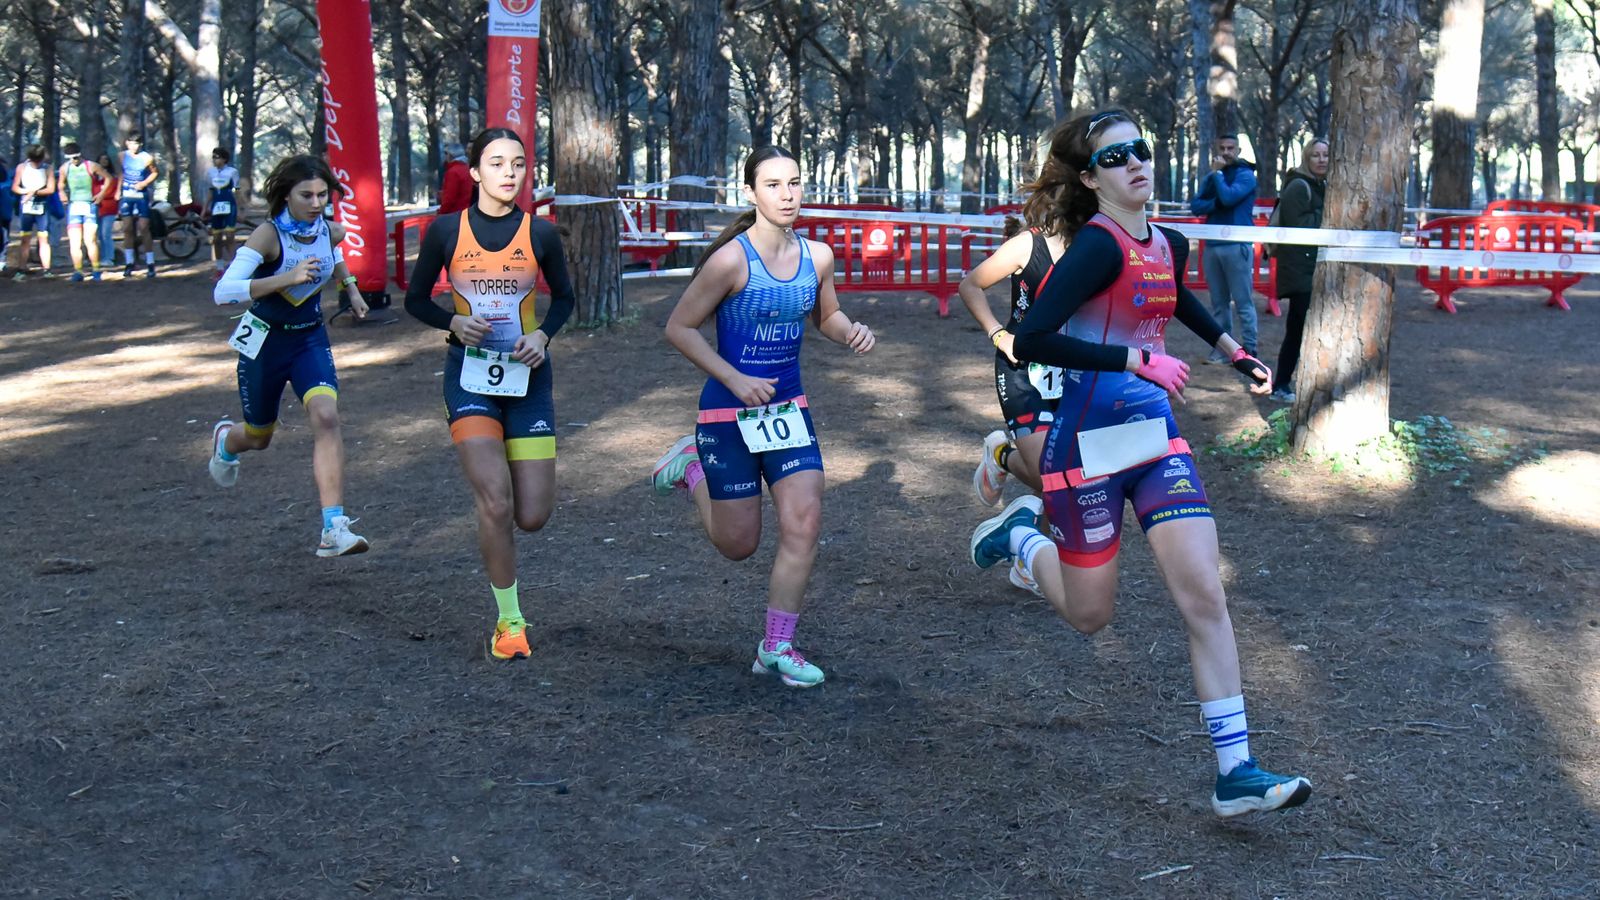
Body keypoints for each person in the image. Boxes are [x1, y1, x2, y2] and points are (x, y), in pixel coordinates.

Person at [972, 108, 1311, 817]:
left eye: (1142, 150)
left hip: (1156, 442)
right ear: (1091, 179)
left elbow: (1174, 297)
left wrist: (1231, 350)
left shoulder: (1169, 239)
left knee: (1205, 597)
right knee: (1090, 616)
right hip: (1085, 448)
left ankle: (1236, 771)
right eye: (1116, 156)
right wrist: (1136, 358)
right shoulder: (1093, 248)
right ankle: (1021, 538)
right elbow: (1032, 336)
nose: (1136, 163)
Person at [651, 146, 875, 688]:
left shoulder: (817, 256)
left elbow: (827, 314)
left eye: (795, 182)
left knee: (805, 520)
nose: (788, 194)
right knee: (738, 545)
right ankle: (691, 466)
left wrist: (849, 331)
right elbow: (678, 328)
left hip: (788, 411)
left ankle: (776, 646)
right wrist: (734, 378)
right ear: (750, 193)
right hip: (727, 413)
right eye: (773, 185)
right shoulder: (731, 261)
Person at [403, 128, 574, 661]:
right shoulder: (446, 231)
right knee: (495, 503)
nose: (509, 173)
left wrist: (543, 335)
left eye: (519, 164)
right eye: (497, 163)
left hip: (528, 380)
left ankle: (510, 602)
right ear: (474, 172)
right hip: (470, 376)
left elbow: (566, 299)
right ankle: (510, 622)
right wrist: (454, 324)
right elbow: (413, 300)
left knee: (533, 515)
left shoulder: (540, 233)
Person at [208, 154, 371, 558]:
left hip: (309, 340)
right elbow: (224, 291)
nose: (316, 203)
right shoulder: (266, 236)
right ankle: (227, 441)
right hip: (264, 342)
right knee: (259, 437)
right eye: (307, 195)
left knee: (327, 416)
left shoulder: (329, 230)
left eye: (322, 194)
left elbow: (332, 257)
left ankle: (334, 527)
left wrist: (350, 288)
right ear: (285, 195)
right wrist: (286, 278)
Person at [1188, 133, 1259, 362]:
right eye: (1223, 148)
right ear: (1216, 150)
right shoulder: (1212, 178)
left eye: (1231, 148)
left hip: (1237, 245)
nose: (1227, 152)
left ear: (1238, 151)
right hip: (1213, 245)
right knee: (1218, 303)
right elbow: (1196, 206)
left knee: (1243, 301)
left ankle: (1250, 348)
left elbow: (1229, 198)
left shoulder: (1246, 176)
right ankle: (1223, 349)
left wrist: (1217, 177)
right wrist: (1214, 202)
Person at [1268, 138, 1329, 404]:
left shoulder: (1321, 185)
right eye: (1315, 155)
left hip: (1314, 267)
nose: (1321, 160)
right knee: (1296, 330)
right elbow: (1297, 227)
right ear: (1307, 158)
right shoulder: (1298, 186)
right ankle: (1281, 384)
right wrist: (1328, 213)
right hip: (1300, 270)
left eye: (1326, 155)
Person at [57, 142, 111, 281]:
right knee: (75, 241)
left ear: (80, 155)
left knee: (90, 240)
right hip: (74, 206)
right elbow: (61, 184)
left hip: (89, 206)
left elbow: (109, 178)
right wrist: (62, 193)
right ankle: (78, 271)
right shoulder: (65, 168)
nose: (73, 161)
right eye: (70, 158)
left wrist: (101, 195)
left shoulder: (91, 165)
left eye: (75, 158)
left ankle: (96, 269)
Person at [10, 144, 57, 280]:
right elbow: (15, 187)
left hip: (42, 207)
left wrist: (35, 192)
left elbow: (51, 189)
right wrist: (26, 192)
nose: (36, 163)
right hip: (26, 208)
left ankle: (46, 269)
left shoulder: (48, 169)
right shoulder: (22, 167)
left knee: (43, 239)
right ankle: (21, 269)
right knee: (25, 239)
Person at [117, 132, 160, 278]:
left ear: (140, 144)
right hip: (127, 195)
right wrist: (118, 190)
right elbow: (121, 173)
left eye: (136, 144)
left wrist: (144, 183)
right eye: (131, 143)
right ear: (127, 143)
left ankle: (150, 263)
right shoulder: (122, 156)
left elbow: (155, 173)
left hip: (141, 195)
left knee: (144, 227)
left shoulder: (147, 158)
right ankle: (129, 262)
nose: (133, 146)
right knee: (128, 228)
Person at [205, 147, 242, 280]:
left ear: (224, 159)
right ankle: (219, 268)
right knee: (216, 238)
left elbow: (237, 191)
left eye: (217, 157)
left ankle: (233, 267)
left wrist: (241, 209)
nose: (215, 160)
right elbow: (210, 191)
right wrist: (205, 208)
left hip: (229, 206)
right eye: (213, 157)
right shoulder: (211, 172)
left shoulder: (233, 172)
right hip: (216, 207)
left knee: (230, 236)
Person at [94, 154, 120, 272]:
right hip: (96, 208)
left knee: (106, 233)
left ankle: (109, 257)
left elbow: (112, 192)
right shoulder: (94, 178)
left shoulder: (112, 178)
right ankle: (101, 257)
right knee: (99, 234)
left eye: (106, 159)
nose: (104, 161)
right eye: (101, 159)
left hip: (109, 208)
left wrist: (100, 196)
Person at [437, 142, 474, 215]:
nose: (445, 156)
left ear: (451, 155)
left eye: (446, 153)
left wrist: (441, 212)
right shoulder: (467, 169)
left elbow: (449, 199)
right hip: (466, 212)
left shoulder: (453, 172)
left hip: (454, 215)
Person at [0, 154, 12, 276]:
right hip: (5, 211)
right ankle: (2, 261)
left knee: (3, 234)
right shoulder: (4, 171)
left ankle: (2, 261)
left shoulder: (2, 171)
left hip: (3, 210)